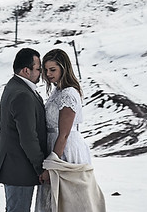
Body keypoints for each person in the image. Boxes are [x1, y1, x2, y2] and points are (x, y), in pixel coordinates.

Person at [37, 48, 106, 212]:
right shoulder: (57, 91)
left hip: (65, 149)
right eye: (46, 70)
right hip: (55, 145)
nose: (48, 74)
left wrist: (52, 166)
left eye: (53, 70)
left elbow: (64, 134)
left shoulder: (68, 94)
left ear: (63, 68)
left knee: (70, 199)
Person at [0, 47, 50, 212]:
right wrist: (41, 167)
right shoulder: (22, 94)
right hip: (19, 168)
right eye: (38, 69)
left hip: (15, 165)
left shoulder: (14, 86)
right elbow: (28, 137)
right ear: (26, 70)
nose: (41, 73)